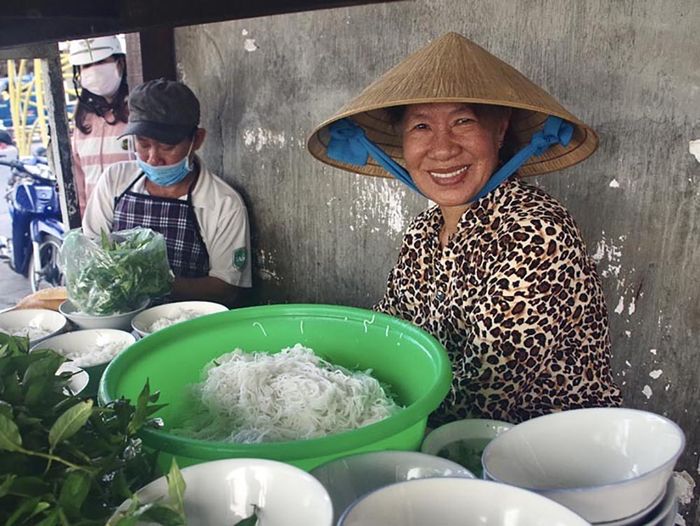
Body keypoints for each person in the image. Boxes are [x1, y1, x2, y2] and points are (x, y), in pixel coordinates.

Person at [308, 32, 622, 426]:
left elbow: (482, 392)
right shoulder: (423, 233)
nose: (442, 149)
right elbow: (391, 334)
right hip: (450, 435)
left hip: (549, 448)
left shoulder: (537, 231)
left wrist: (353, 418)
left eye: (463, 121)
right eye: (421, 126)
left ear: (500, 130)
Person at [82, 79, 251, 307]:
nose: (153, 158)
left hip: (186, 324)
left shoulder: (223, 203)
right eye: (143, 144)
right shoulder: (115, 181)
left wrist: (154, 281)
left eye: (167, 147)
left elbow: (226, 289)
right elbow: (90, 251)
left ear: (197, 139)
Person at [68, 36, 133, 216]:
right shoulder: (83, 121)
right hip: (96, 226)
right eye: (87, 66)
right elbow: (79, 179)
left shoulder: (136, 111)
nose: (94, 70)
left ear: (120, 63)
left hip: (136, 224)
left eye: (100, 62)